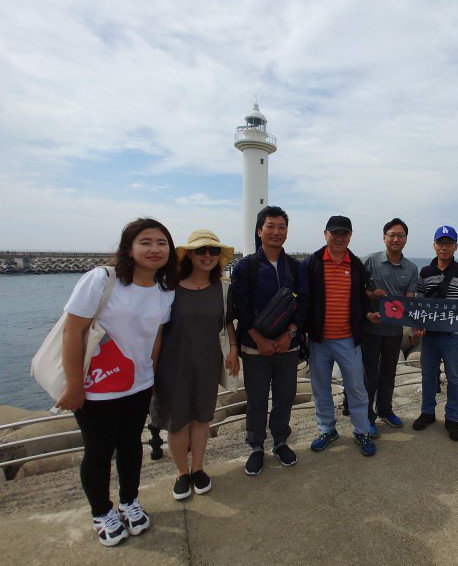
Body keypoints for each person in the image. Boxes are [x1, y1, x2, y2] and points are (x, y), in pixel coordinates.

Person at [57, 218, 178, 546]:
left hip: (137, 385)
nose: (154, 249)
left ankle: (129, 501)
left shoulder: (165, 291)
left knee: (130, 445)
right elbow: (73, 331)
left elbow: (155, 337)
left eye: (161, 243)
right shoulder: (101, 280)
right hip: (96, 386)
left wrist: (151, 377)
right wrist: (74, 386)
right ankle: (101, 511)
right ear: (129, 248)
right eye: (146, 242)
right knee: (98, 450)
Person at [152, 230, 240, 499]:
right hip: (173, 365)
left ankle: (199, 468)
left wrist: (234, 349)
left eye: (213, 251)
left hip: (207, 362)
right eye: (201, 250)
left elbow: (227, 323)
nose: (207, 256)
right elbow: (156, 331)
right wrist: (151, 371)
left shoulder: (223, 288)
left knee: (202, 418)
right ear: (189, 254)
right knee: (177, 422)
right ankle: (182, 473)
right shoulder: (168, 288)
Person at [231, 206, 309, 476]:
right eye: (270, 226)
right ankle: (255, 446)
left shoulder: (296, 268)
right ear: (259, 230)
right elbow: (241, 308)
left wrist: (289, 334)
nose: (276, 232)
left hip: (288, 345)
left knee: (285, 396)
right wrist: (259, 340)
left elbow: (304, 304)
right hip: (255, 348)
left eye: (282, 227)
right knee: (256, 398)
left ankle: (280, 441)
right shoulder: (245, 267)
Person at [305, 215, 380, 457]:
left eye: (344, 233)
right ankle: (327, 429)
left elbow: (363, 297)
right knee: (321, 389)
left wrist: (368, 312)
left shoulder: (357, 266)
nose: (339, 238)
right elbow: (303, 299)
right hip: (319, 340)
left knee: (357, 388)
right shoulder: (312, 263)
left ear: (350, 236)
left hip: (349, 339)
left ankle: (361, 431)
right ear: (325, 234)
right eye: (334, 232)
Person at [412, 225, 458, 441]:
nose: (444, 247)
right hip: (430, 336)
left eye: (448, 243)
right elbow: (418, 302)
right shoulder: (425, 272)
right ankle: (427, 412)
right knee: (427, 376)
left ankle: (452, 418)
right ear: (434, 245)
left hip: (453, 336)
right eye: (440, 243)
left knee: (454, 378)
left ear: (455, 246)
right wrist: (416, 323)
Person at [361, 218, 419, 434]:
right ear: (384, 237)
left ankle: (385, 410)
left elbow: (410, 300)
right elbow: (357, 290)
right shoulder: (369, 261)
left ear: (405, 239)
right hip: (370, 330)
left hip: (395, 332)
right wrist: (370, 296)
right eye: (392, 235)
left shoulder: (412, 269)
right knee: (368, 376)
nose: (396, 239)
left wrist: (414, 325)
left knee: (389, 373)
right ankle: (367, 417)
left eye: (400, 235)